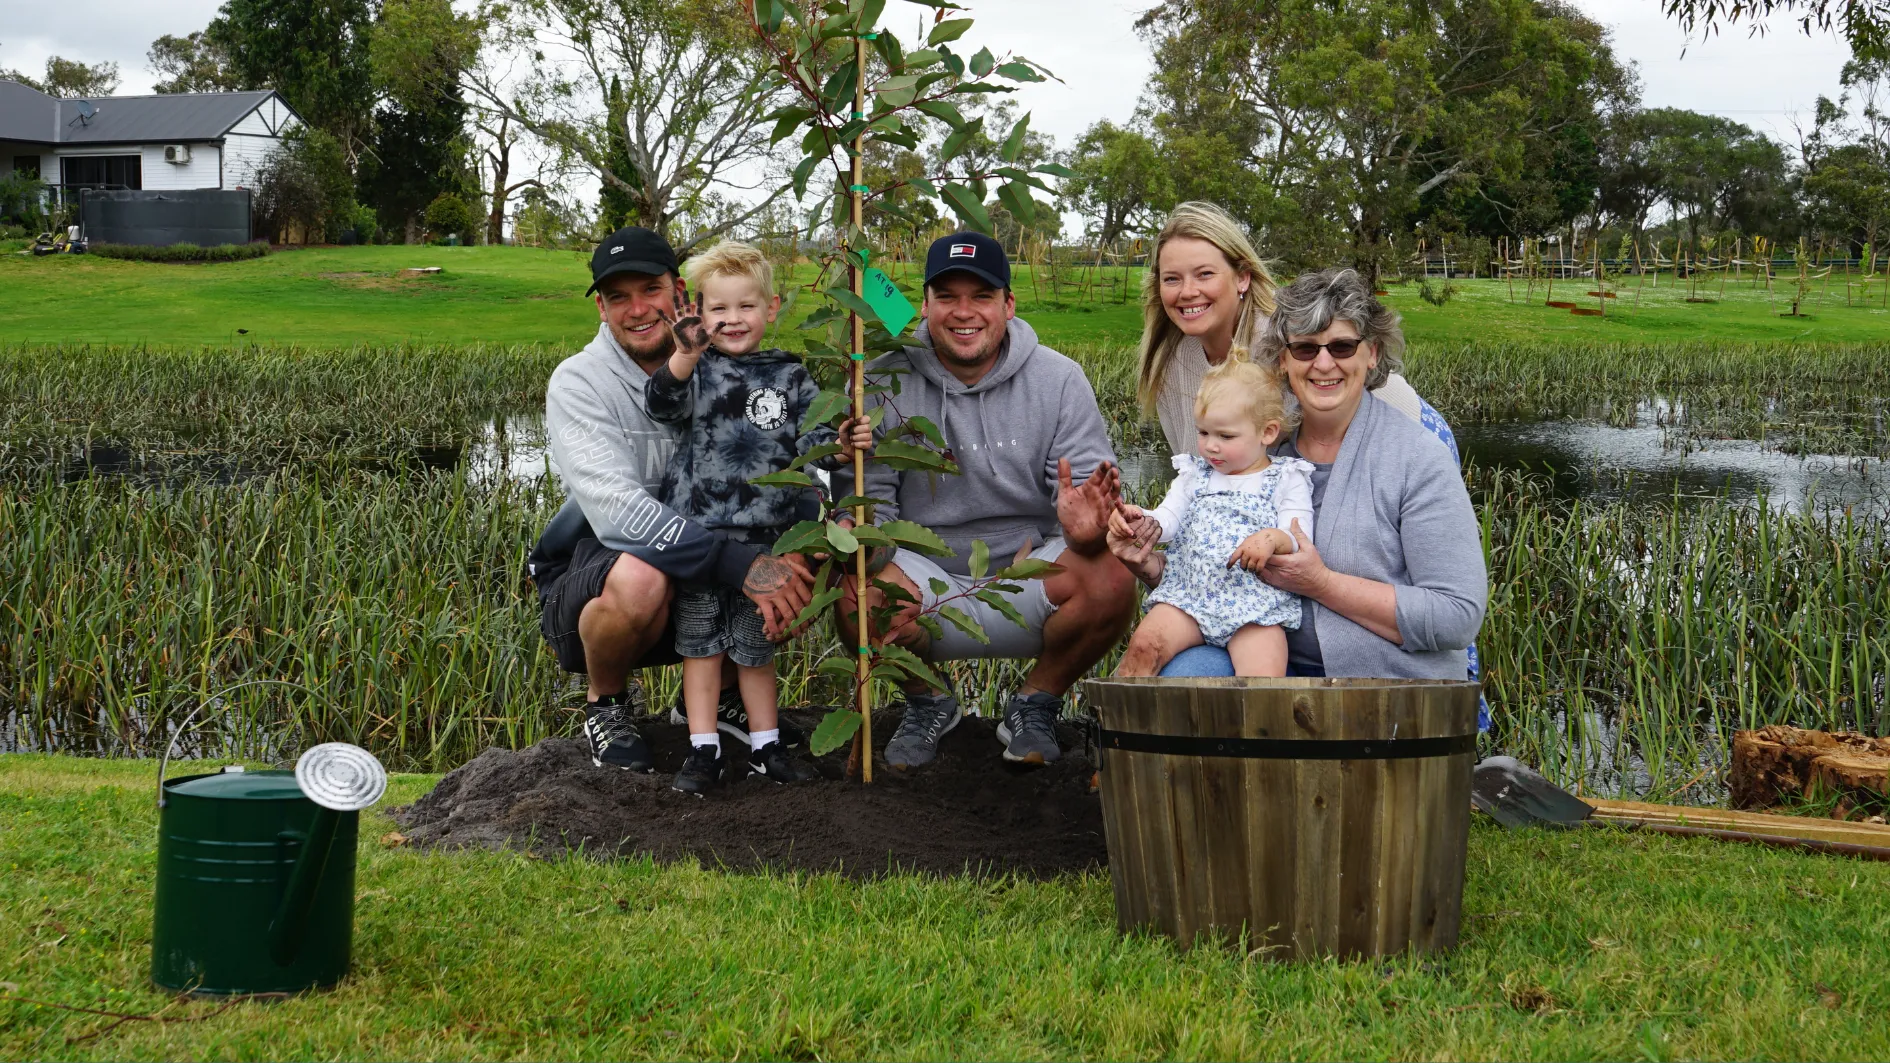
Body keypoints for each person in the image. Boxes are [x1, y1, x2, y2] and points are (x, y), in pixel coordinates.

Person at [838, 231, 1138, 769]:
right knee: (853, 591)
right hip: (926, 578)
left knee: (1113, 574)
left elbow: (1088, 498)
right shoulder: (882, 380)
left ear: (1008, 304)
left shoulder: (1060, 379)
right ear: (924, 304)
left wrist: (1086, 530)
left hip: (1030, 574)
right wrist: (846, 534)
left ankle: (1033, 702)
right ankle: (929, 702)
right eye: (947, 296)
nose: (963, 312)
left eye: (981, 296)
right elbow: (875, 509)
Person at [527, 227, 822, 773]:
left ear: (679, 293)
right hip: (599, 563)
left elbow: (793, 462)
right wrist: (742, 566)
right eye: (619, 297)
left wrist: (797, 552)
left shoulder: (734, 369)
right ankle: (607, 703)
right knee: (646, 575)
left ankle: (716, 700)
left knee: (790, 561)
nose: (637, 309)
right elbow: (617, 511)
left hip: (709, 552)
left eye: (650, 289)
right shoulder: (579, 382)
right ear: (601, 307)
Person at [1113, 268, 1486, 681]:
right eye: (1306, 349)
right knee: (1183, 675)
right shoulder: (1258, 449)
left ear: (1373, 353)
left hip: (1383, 687)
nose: (1324, 363)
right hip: (1264, 659)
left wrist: (1321, 584)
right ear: (1283, 359)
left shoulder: (1416, 458)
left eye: (1342, 346)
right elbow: (1218, 577)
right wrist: (1148, 563)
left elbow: (1457, 615)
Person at [645, 239, 863, 794]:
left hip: (766, 540)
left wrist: (841, 443)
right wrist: (685, 353)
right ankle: (703, 750)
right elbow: (662, 403)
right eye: (719, 309)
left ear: (771, 308)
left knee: (754, 645)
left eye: (746, 306)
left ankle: (767, 747)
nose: (733, 319)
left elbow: (815, 442)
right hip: (699, 539)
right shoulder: (695, 368)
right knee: (701, 645)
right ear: (699, 311)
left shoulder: (791, 377)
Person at [1135, 201, 1435, 455]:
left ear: (1242, 278)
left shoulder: (1282, 337)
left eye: (1204, 274)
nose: (1187, 291)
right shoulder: (1168, 361)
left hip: (1418, 438)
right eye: (1172, 278)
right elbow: (1194, 466)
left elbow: (1363, 381)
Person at [1112, 359, 1314, 677]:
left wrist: (1272, 539)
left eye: (1226, 436)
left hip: (1254, 608)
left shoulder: (1286, 477)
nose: (1210, 446)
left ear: (1268, 432)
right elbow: (1168, 520)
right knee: (1144, 646)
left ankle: (1259, 728)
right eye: (1203, 432)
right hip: (1189, 598)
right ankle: (1117, 722)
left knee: (1263, 682)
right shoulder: (1196, 474)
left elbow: (1298, 536)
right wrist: (1142, 519)